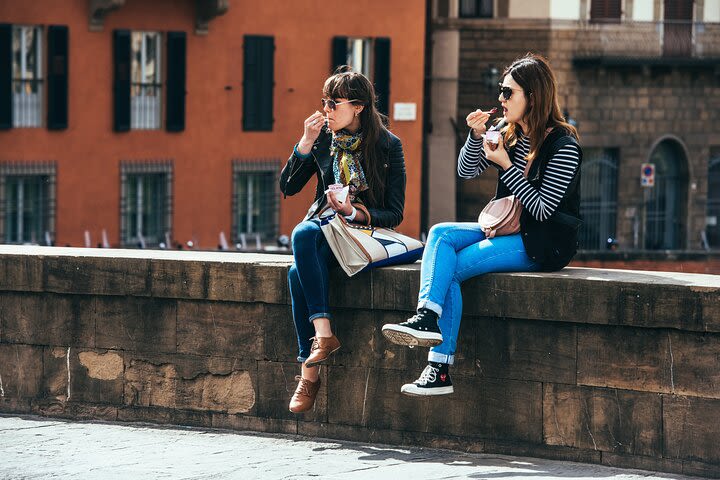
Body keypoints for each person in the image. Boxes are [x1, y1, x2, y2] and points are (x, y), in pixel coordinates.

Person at [382, 53, 582, 396]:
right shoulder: (509, 132)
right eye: (500, 91)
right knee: (441, 233)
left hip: (543, 243)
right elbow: (466, 171)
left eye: (508, 93)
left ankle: (439, 368)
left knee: (454, 269)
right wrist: (475, 136)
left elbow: (543, 209)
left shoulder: (564, 146)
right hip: (508, 228)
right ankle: (427, 317)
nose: (500, 100)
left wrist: (506, 165)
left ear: (532, 97)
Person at [280, 67, 407, 413]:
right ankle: (323, 335)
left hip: (362, 234)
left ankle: (309, 368)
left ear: (359, 106)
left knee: (297, 268)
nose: (326, 110)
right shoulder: (324, 141)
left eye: (334, 104)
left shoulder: (388, 147)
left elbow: (395, 213)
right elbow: (288, 187)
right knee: (304, 237)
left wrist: (352, 211)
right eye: (324, 102)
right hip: (325, 232)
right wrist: (304, 143)